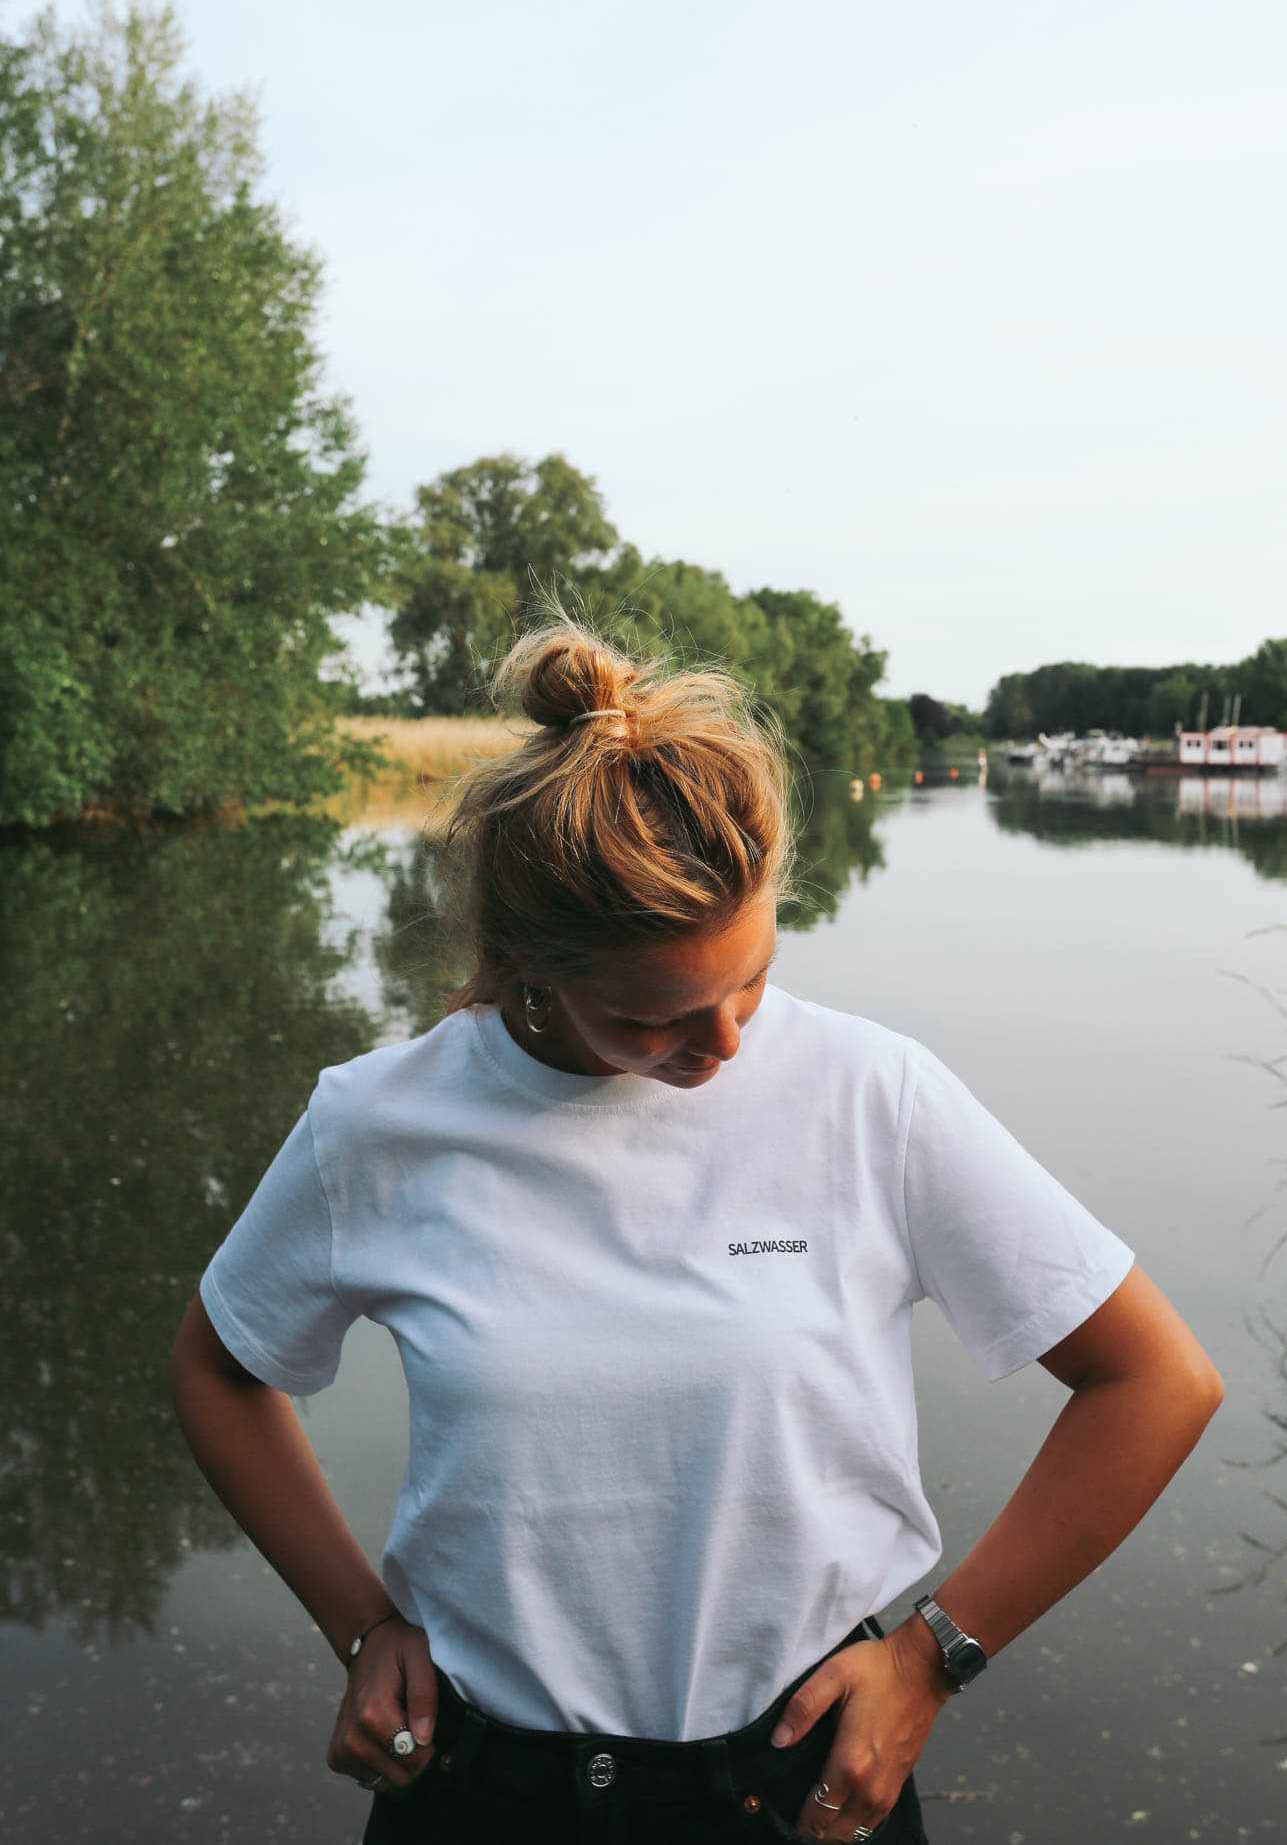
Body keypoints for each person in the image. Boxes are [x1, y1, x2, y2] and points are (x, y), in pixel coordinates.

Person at [170, 622, 1223, 1845]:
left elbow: (1155, 1377)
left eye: (753, 979)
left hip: (798, 1785)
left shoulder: (871, 1093)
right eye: (653, 1016)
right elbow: (219, 1364)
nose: (725, 1044)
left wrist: (934, 1656)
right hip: (479, 1791)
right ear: (528, 970)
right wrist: (361, 1625)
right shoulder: (379, 1122)